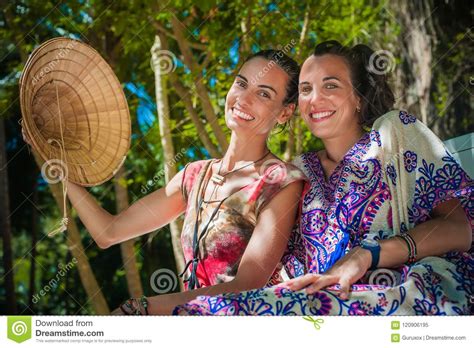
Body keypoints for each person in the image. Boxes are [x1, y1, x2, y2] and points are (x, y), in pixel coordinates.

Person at [172, 40, 473, 315]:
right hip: (313, 304)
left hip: (398, 293)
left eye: (330, 86)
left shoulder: (393, 134)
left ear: (358, 97)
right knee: (207, 312)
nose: (315, 99)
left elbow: (461, 230)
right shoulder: (296, 173)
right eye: (305, 89)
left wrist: (369, 255)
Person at [23, 49, 308, 315]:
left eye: (264, 94)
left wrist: (145, 307)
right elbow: (108, 232)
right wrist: (55, 161)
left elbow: (246, 287)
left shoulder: (282, 182)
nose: (244, 99)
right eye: (241, 84)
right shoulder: (195, 176)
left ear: (285, 112)